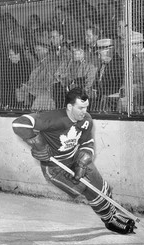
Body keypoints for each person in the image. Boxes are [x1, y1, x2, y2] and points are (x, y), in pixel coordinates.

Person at [12, 87, 135, 235]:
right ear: (70, 107)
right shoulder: (53, 118)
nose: (84, 111)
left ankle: (113, 214)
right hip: (56, 168)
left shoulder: (86, 120)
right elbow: (19, 124)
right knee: (91, 192)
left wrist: (82, 162)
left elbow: (87, 143)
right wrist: (38, 144)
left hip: (75, 159)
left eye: (86, 107)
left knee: (103, 188)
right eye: (81, 108)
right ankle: (109, 221)